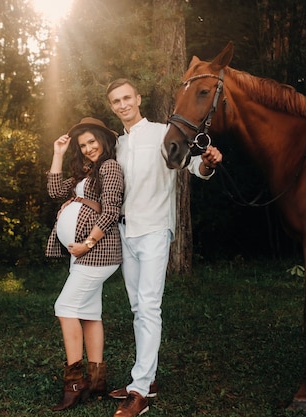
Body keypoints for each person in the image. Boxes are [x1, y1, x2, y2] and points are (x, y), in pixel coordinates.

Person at [105, 79, 223, 417]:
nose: (123, 104)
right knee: (136, 307)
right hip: (126, 232)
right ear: (112, 106)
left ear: (138, 99)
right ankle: (148, 377)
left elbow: (195, 167)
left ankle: (140, 391)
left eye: (127, 97)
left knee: (149, 307)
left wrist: (209, 163)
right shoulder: (117, 144)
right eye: (116, 101)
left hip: (156, 229)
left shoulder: (162, 133)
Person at [45, 117, 124, 412]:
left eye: (93, 142)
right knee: (89, 314)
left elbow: (111, 209)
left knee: (65, 308)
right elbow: (54, 192)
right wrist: (58, 154)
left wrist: (88, 243)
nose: (89, 148)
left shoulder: (110, 167)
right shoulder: (87, 172)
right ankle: (97, 381)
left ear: (104, 141)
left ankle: (74, 383)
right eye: (84, 144)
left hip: (98, 252)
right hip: (84, 254)